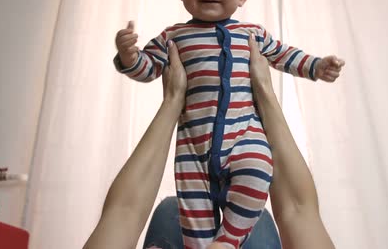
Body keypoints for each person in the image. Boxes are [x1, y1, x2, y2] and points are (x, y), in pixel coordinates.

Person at [113, 0, 344, 248]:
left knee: (259, 167)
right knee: (192, 211)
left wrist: (316, 67)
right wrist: (129, 56)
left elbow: (285, 56)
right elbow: (146, 69)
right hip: (194, 144)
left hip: (244, 133)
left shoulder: (253, 34)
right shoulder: (173, 37)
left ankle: (229, 240)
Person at [85, 34, 337, 248]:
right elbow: (299, 210)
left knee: (172, 210)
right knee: (258, 186)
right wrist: (268, 90)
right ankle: (227, 240)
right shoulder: (243, 34)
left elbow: (124, 211)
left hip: (194, 149)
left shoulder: (176, 37)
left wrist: (172, 99)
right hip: (221, 156)